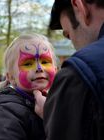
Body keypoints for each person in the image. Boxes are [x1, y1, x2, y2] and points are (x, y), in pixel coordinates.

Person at [33, 0, 104, 140]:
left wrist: (54, 115)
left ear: (79, 6)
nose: (39, 68)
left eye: (69, 34)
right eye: (28, 63)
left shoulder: (80, 72)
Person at [0, 33, 58, 140]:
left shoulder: (56, 104)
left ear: (56, 70)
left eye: (45, 62)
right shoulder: (3, 114)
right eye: (28, 64)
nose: (39, 68)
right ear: (11, 77)